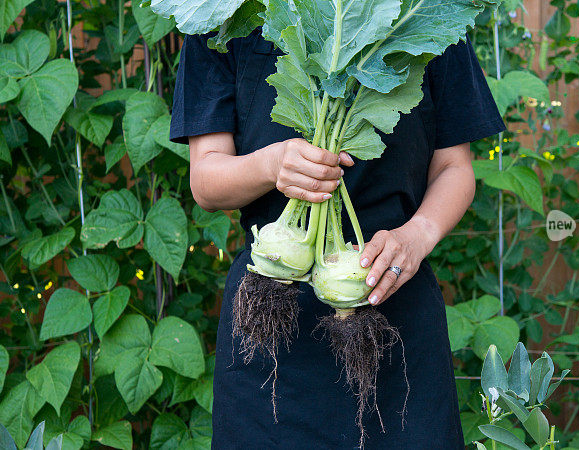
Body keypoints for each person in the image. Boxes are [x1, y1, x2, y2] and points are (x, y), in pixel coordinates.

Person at [169, 27, 505, 449]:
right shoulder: (224, 18)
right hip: (270, 314)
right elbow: (206, 181)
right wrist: (272, 164)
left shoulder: (425, 15)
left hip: (392, 296)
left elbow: (454, 168)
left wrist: (417, 236)